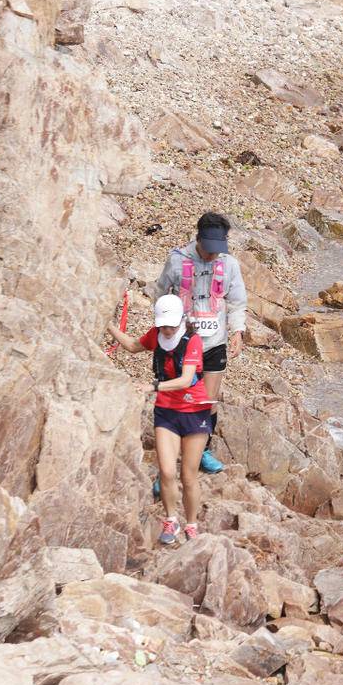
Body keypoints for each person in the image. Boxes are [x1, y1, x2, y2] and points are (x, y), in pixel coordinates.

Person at [108, 294, 212, 545]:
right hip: (166, 411)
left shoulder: (192, 341)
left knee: (188, 475)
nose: (166, 329)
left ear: (180, 321)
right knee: (166, 470)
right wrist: (109, 326)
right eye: (163, 325)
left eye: (171, 325)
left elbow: (187, 379)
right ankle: (171, 520)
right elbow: (133, 346)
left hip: (194, 411)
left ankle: (192, 523)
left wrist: (153, 386)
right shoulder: (156, 335)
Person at [154, 213, 247, 475]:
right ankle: (172, 454)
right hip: (183, 341)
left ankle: (203, 449)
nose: (212, 256)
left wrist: (238, 331)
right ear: (198, 239)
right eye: (208, 250)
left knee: (208, 399)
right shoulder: (177, 260)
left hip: (214, 340)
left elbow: (238, 301)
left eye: (217, 251)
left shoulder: (229, 265)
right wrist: (165, 326)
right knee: (180, 394)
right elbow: (160, 293)